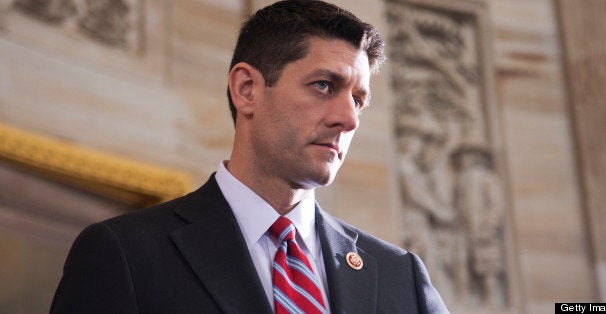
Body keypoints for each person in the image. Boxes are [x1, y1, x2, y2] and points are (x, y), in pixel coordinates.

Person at [50, 1, 448, 313]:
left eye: (358, 100)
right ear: (246, 89)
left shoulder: (400, 277)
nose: (348, 119)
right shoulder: (126, 253)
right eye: (324, 85)